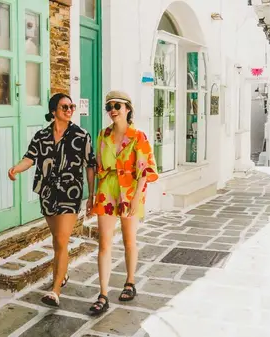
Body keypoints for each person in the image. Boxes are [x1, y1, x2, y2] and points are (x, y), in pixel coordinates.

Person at [8, 93, 96, 307]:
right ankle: (62, 274)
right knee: (57, 240)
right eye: (65, 107)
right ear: (54, 111)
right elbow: (30, 158)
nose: (69, 110)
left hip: (70, 193)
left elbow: (90, 165)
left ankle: (55, 289)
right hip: (47, 194)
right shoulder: (41, 136)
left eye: (71, 107)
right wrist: (15, 169)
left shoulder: (81, 135)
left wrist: (91, 195)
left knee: (62, 240)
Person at [88, 91, 158, 315]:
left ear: (128, 108)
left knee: (129, 240)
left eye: (117, 105)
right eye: (108, 107)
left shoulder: (139, 136)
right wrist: (92, 196)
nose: (112, 110)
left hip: (129, 191)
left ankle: (130, 281)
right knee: (104, 243)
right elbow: (98, 167)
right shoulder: (102, 135)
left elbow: (146, 170)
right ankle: (103, 294)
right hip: (107, 190)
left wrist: (136, 198)